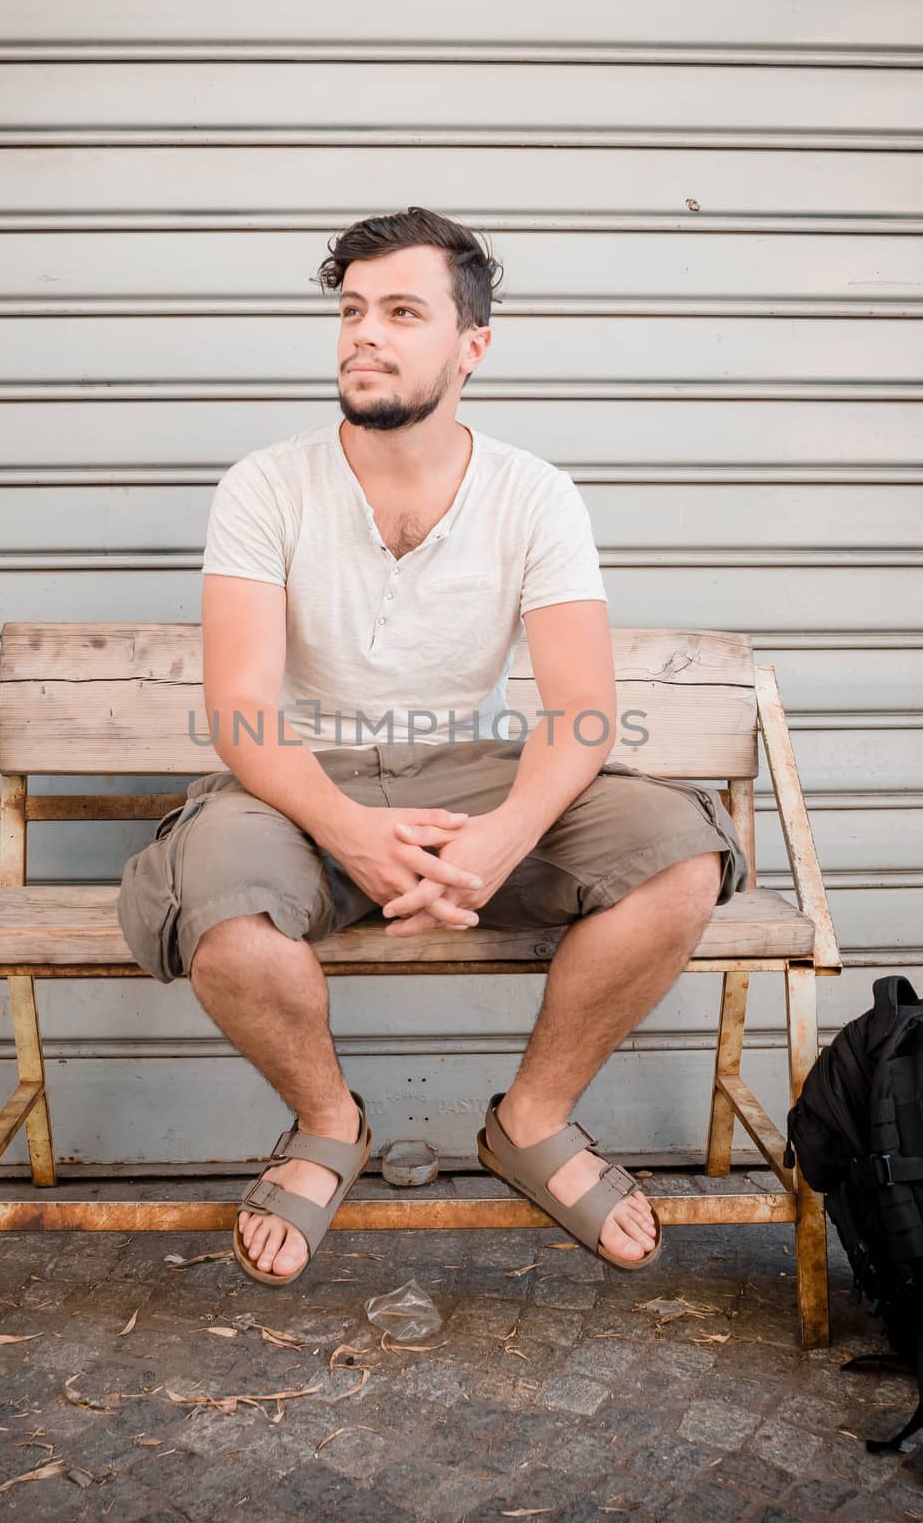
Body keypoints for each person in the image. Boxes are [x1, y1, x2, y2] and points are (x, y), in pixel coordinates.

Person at [117, 207, 747, 1285]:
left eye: (402, 311)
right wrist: (349, 830)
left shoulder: (534, 494)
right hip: (295, 788)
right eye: (352, 310)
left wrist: (503, 836)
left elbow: (582, 708)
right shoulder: (265, 486)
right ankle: (327, 1125)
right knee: (226, 922)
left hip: (466, 773)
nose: (364, 333)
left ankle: (534, 1122)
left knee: (678, 854)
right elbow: (242, 713)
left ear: (472, 345)